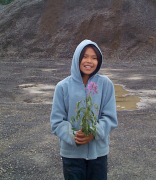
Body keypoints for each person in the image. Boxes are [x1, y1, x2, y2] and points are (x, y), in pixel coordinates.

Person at [50, 39, 118, 180]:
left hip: (98, 154)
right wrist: (73, 136)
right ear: (77, 58)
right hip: (72, 155)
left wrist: (94, 132)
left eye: (94, 58)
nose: (89, 61)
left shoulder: (105, 84)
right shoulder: (63, 87)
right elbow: (57, 122)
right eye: (85, 56)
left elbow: (110, 118)